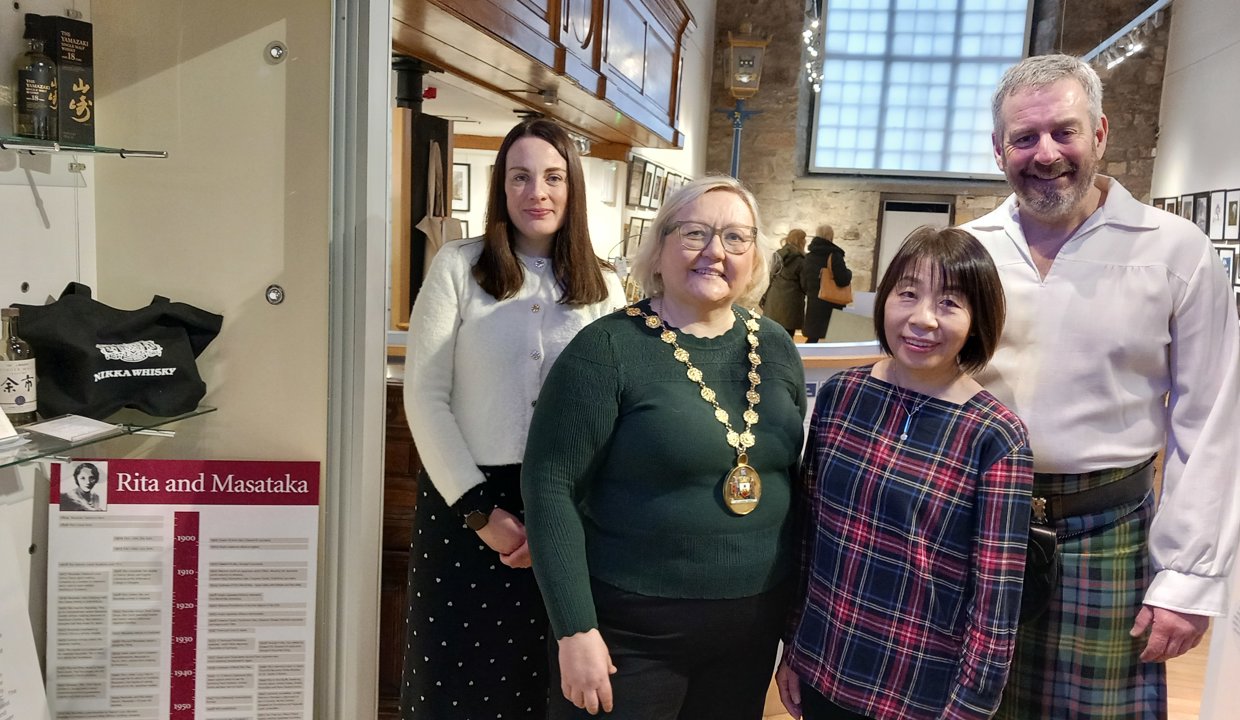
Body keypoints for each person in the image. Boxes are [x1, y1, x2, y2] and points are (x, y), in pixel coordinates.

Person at [963, 54, 1240, 718]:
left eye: (1065, 131)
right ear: (998, 149)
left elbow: (1212, 420)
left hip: (1109, 531)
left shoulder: (1174, 249)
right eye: (1025, 138)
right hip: (979, 525)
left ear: (1101, 134)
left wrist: (1189, 577)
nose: (1046, 153)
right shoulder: (967, 250)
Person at [522, 175, 807, 719]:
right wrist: (574, 629)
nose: (715, 253)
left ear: (755, 255)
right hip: (630, 635)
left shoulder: (774, 345)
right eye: (694, 233)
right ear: (659, 248)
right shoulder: (606, 350)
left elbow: (793, 488)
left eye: (735, 238)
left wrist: (794, 625)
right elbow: (550, 487)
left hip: (748, 634)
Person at [399, 117, 627, 720]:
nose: (537, 193)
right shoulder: (457, 266)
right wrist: (479, 511)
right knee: (461, 687)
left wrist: (570, 514)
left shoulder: (605, 287)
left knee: (541, 684)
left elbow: (613, 409)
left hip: (563, 508)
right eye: (520, 177)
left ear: (572, 187)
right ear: (502, 187)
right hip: (466, 505)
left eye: (553, 177)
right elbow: (425, 398)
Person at [777, 226, 1033, 720]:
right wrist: (793, 643)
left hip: (920, 689)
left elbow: (996, 599)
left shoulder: (995, 435)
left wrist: (970, 706)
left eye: (950, 304)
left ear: (978, 321)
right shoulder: (842, 395)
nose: (922, 319)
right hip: (823, 665)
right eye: (908, 294)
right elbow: (810, 538)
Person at [799, 224, 852, 342]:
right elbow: (842, 280)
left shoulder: (809, 257)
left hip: (814, 302)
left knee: (813, 338)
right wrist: (849, 273)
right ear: (831, 236)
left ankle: (808, 359)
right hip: (832, 303)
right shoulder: (834, 255)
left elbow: (803, 282)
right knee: (833, 338)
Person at [763, 228, 808, 337]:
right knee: (787, 337)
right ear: (801, 241)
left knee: (772, 335)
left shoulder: (777, 255)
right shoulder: (801, 260)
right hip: (791, 304)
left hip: (774, 300)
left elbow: (771, 276)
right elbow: (804, 284)